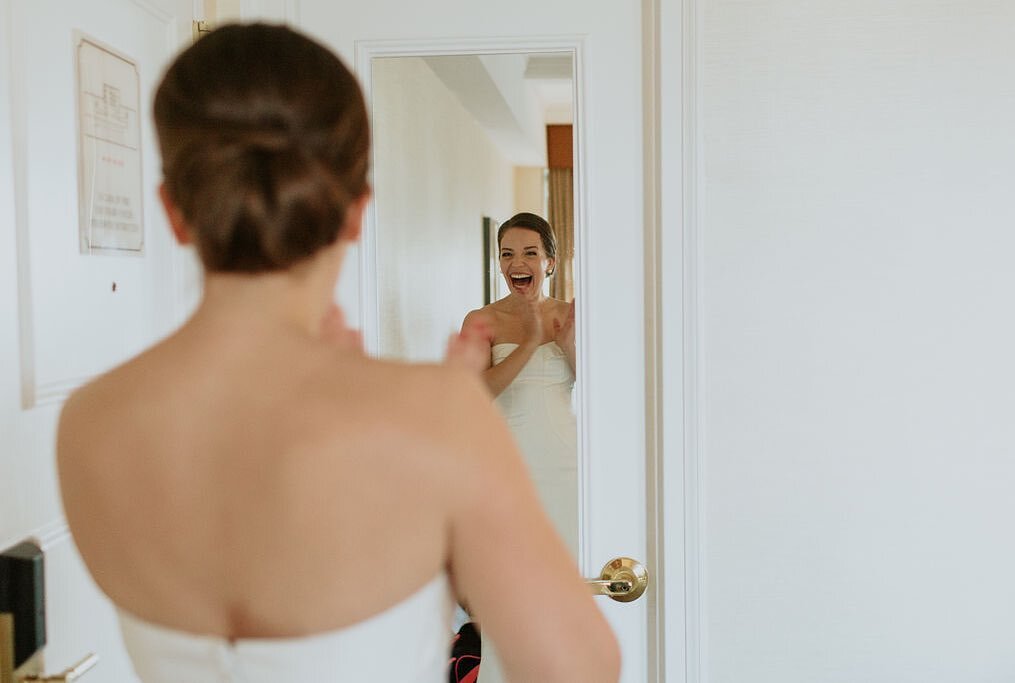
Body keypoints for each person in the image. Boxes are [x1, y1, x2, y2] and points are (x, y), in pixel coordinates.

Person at [55, 23, 617, 683]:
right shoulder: (430, 413)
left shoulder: (90, 421)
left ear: (173, 209)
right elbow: (578, 665)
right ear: (356, 212)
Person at [459, 213, 578, 683]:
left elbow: (605, 388)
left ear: (549, 261)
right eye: (507, 253)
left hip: (567, 467)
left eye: (530, 252)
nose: (517, 262)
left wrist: (568, 345)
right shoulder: (481, 320)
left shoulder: (570, 313)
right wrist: (529, 344)